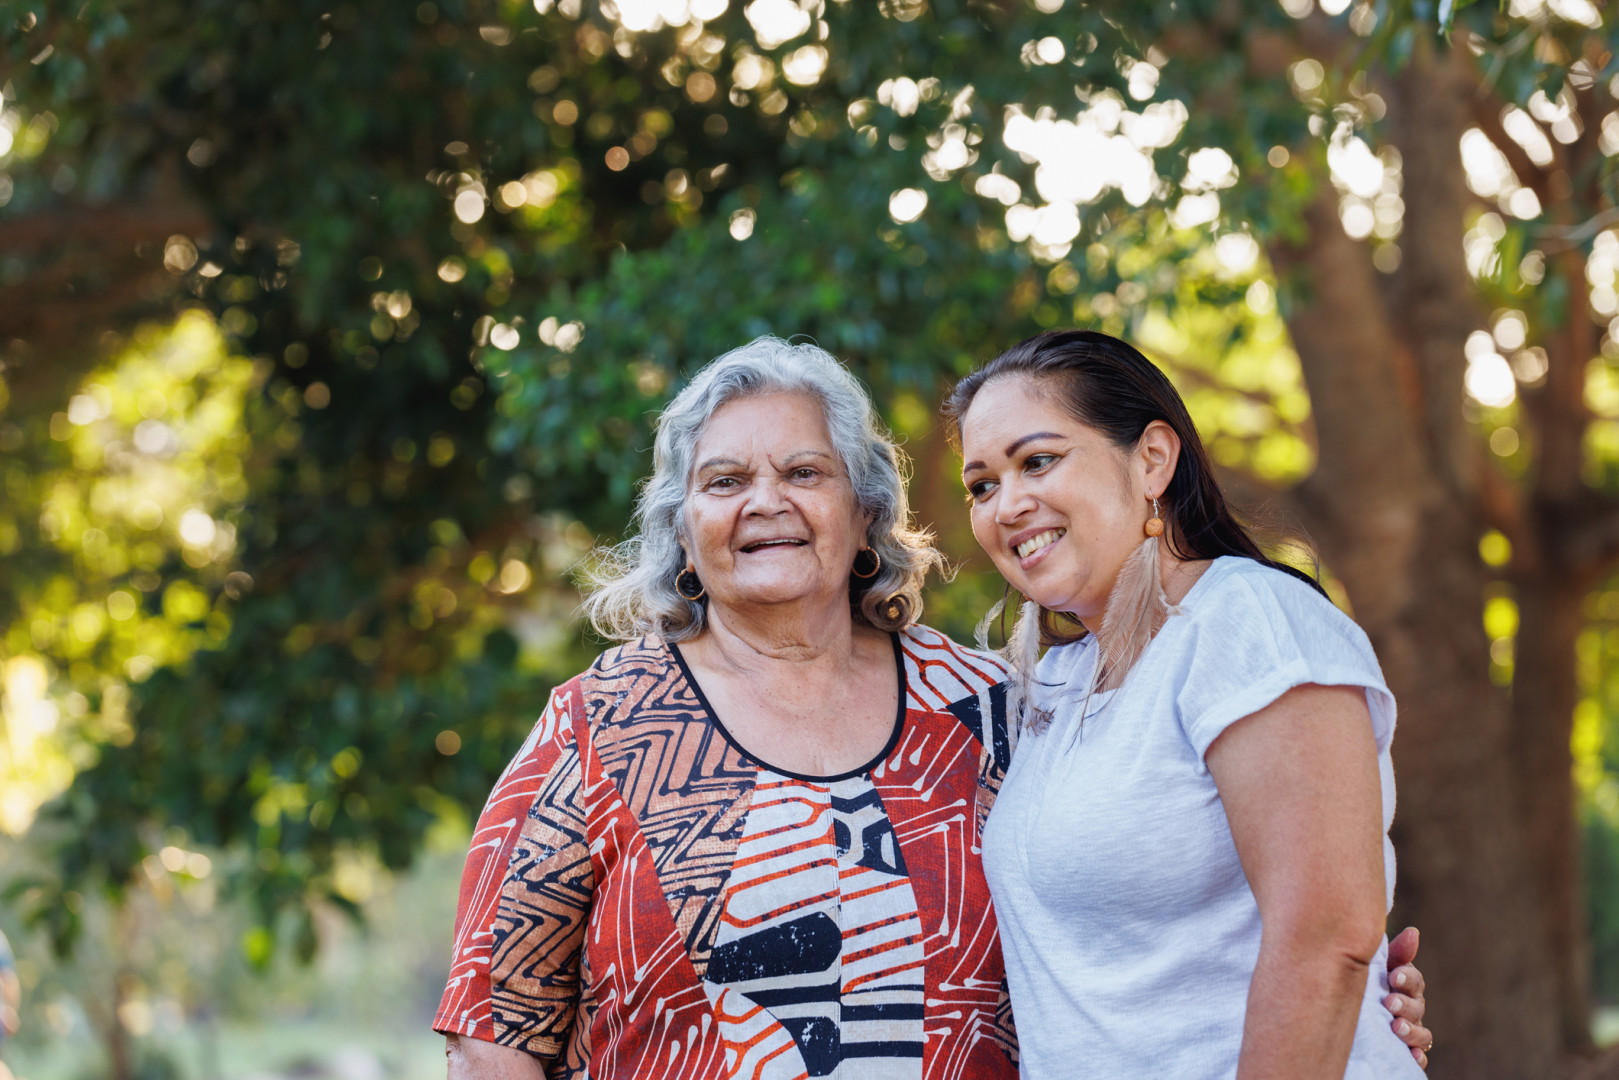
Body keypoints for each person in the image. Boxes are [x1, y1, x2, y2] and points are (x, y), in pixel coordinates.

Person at [435, 337, 1432, 1079]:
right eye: (723, 480)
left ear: (863, 514)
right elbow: (493, 1022)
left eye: (803, 472)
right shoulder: (601, 725)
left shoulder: (986, 704)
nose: (763, 502)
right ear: (680, 530)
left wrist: (1356, 1005)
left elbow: (1296, 922)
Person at [947, 328, 1432, 1079]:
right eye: (981, 485)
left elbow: (1326, 939)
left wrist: (1355, 994)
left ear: (1151, 459)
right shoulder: (1056, 685)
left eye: (1036, 461)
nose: (1006, 504)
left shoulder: (1246, 623)